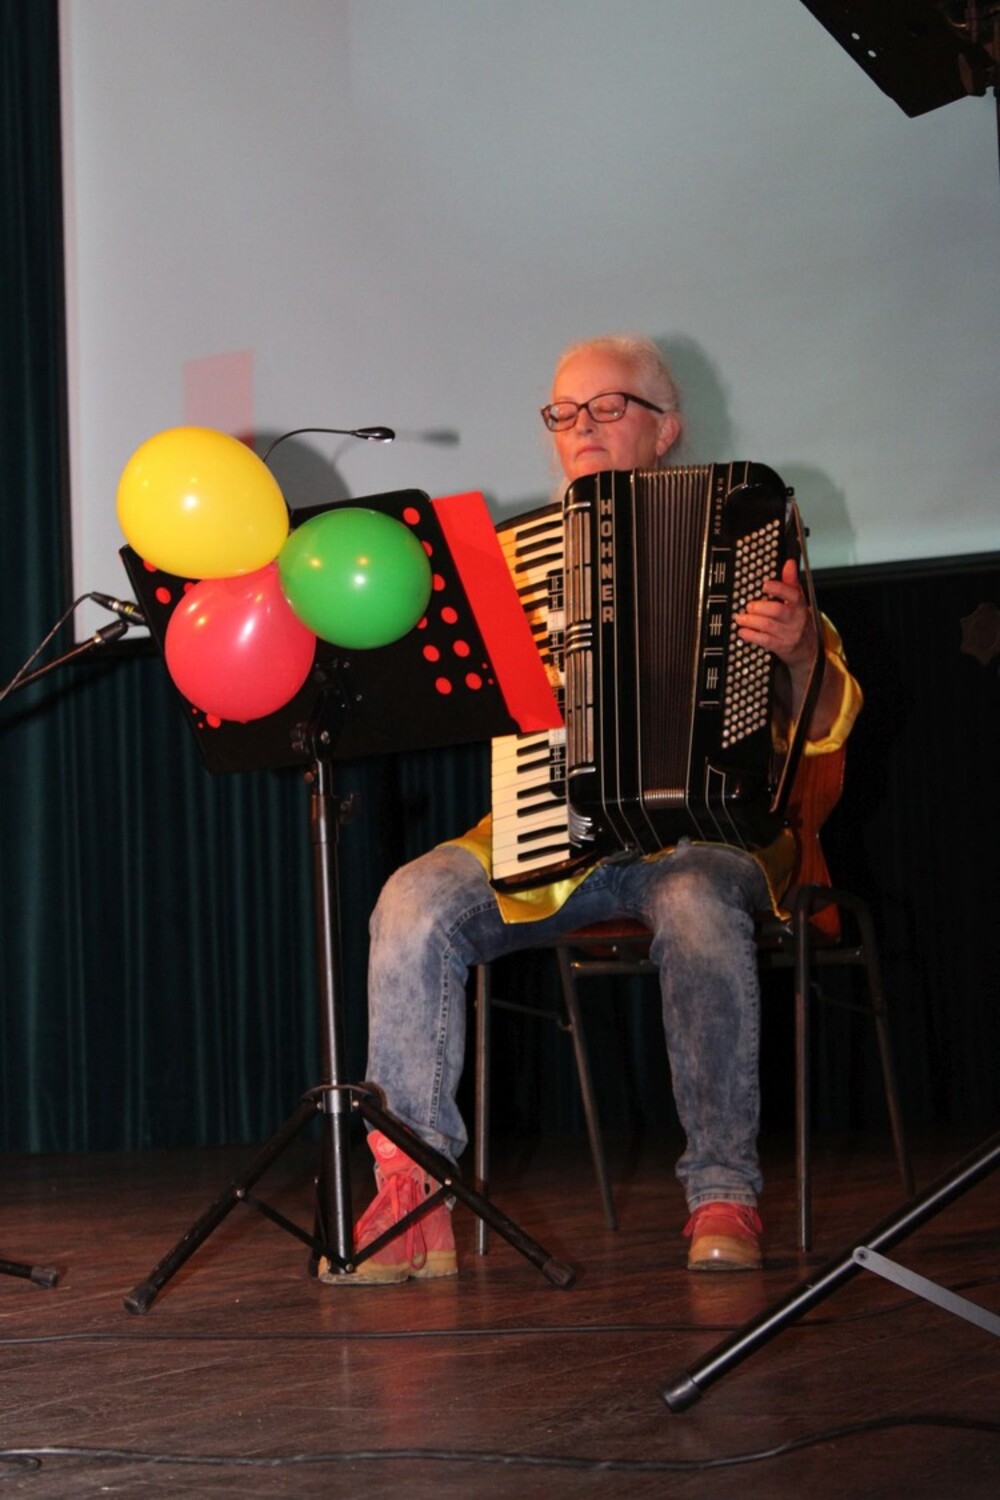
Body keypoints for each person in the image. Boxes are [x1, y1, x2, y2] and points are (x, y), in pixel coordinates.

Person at [324, 333, 861, 1284]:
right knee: (411, 898)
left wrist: (798, 656)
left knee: (695, 899)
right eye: (565, 413)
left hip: (706, 834)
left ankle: (722, 1191)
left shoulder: (747, 535)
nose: (583, 427)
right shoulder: (512, 558)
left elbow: (824, 731)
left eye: (610, 407)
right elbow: (461, 702)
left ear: (667, 429)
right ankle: (413, 1199)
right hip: (549, 837)